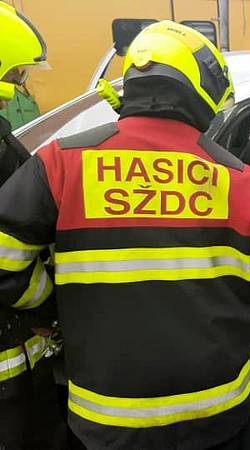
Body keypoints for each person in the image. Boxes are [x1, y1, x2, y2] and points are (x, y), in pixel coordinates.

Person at [0, 20, 250, 449]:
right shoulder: (240, 181)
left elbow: (3, 264)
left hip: (107, 424)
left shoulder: (61, 164)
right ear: (199, 90)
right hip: (220, 417)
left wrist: (54, 302)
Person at [0, 4, 70, 449]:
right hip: (10, 375)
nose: (17, 89)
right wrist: (50, 308)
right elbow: (7, 264)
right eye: (15, 75)